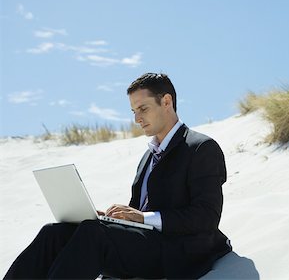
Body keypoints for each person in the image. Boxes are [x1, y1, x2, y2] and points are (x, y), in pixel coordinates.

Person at [4, 73, 232, 279]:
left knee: (93, 233)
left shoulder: (201, 148)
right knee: (54, 232)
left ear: (166, 102)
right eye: (134, 112)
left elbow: (207, 217)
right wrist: (117, 219)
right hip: (144, 245)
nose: (137, 119)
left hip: (177, 251)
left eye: (143, 109)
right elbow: (138, 211)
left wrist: (143, 218)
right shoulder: (148, 156)